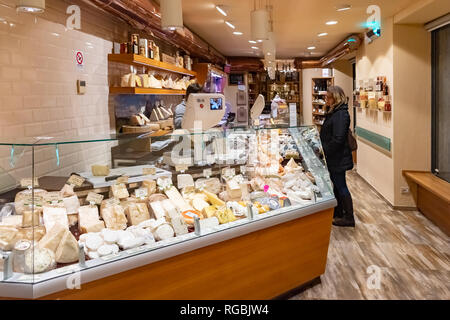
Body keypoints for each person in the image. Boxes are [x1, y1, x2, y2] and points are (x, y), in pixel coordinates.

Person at [320, 86, 355, 227]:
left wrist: (324, 151)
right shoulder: (335, 112)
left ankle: (349, 217)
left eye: (328, 97)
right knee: (337, 184)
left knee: (341, 186)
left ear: (335, 98)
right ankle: (339, 212)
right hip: (334, 156)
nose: (326, 100)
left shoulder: (341, 114)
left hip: (338, 157)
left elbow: (338, 139)